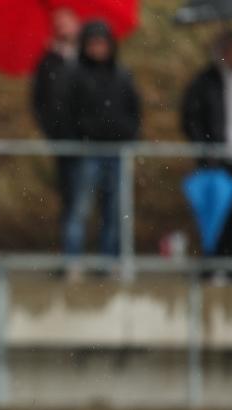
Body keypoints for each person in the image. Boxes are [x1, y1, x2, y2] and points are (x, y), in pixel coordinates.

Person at [183, 30, 232, 268]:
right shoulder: (204, 81)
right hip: (217, 157)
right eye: (225, 50)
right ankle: (215, 264)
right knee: (217, 213)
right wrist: (205, 146)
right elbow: (191, 117)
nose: (230, 55)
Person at [64, 20, 141, 266]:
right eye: (93, 43)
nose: (98, 48)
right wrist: (80, 136)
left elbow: (134, 110)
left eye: (102, 43)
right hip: (88, 151)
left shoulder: (122, 74)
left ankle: (109, 263)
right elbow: (66, 113)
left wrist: (130, 134)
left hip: (118, 152)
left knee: (116, 211)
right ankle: (73, 262)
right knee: (81, 209)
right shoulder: (75, 74)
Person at [32, 8, 80, 232]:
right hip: (63, 139)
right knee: (71, 197)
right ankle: (72, 257)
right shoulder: (48, 62)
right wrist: (52, 129)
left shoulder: (87, 57)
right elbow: (39, 101)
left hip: (91, 138)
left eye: (67, 22)